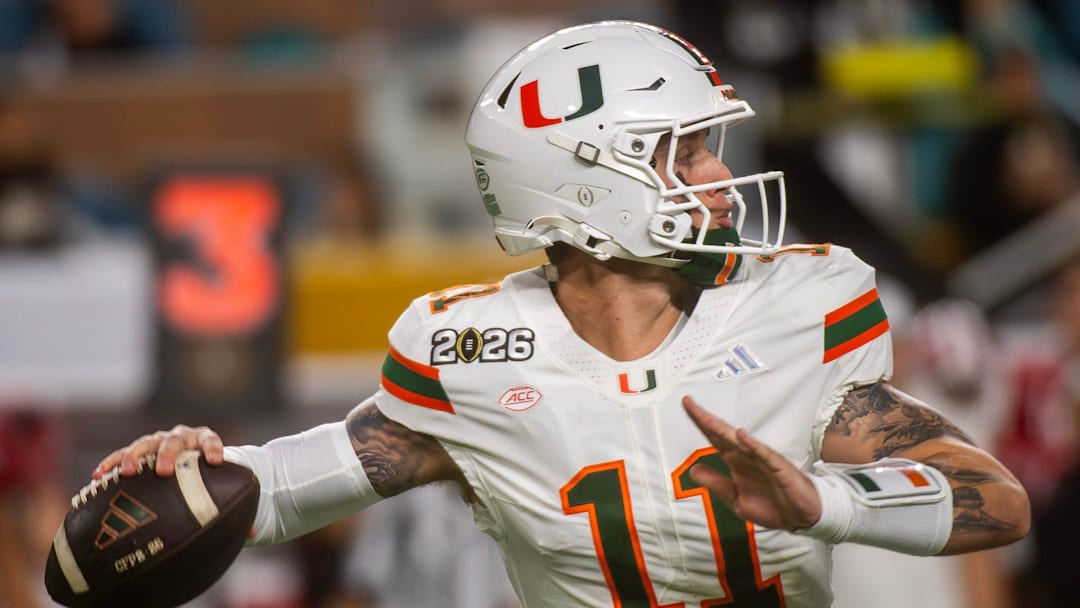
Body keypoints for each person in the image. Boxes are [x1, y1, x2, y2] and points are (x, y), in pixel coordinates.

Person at [92, 21, 1030, 607]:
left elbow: (995, 498)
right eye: (683, 153)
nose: (718, 177)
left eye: (710, 147)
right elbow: (285, 492)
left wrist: (825, 504)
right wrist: (192, 465)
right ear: (580, 183)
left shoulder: (793, 304)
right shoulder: (471, 353)